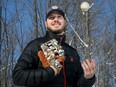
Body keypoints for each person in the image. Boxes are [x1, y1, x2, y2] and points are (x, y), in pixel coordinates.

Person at [12, 6, 96, 87]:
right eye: (51, 17)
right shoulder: (36, 45)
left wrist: (88, 78)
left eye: (59, 17)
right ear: (46, 23)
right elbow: (18, 76)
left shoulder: (73, 52)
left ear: (64, 21)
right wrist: (50, 72)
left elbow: (78, 84)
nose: (56, 19)